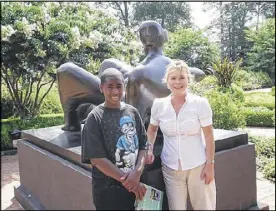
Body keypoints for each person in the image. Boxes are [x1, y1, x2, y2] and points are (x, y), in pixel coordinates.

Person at [145, 60, 216, 210]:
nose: (178, 82)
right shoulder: (159, 104)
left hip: (198, 166)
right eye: (173, 78)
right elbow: (152, 129)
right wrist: (149, 148)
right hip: (171, 168)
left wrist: (210, 165)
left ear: (188, 80)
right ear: (167, 81)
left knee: (204, 207)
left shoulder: (200, 103)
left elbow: (209, 135)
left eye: (182, 77)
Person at [81, 68, 148, 210]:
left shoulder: (132, 112)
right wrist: (130, 182)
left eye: (119, 86)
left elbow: (143, 145)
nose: (115, 92)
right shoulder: (95, 117)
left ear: (124, 86)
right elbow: (97, 159)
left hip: (133, 187)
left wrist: (137, 172)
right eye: (110, 87)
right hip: (108, 192)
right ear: (101, 88)